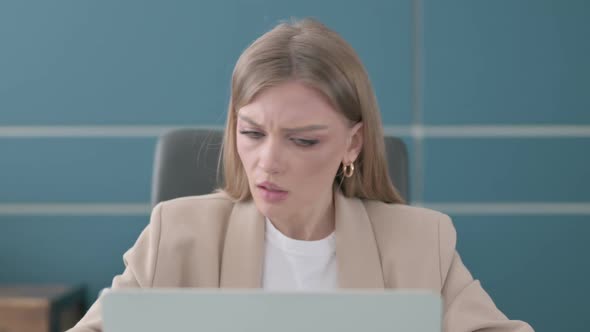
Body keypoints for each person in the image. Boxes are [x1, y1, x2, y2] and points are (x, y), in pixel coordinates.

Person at [68, 18, 533, 332]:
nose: (268, 162)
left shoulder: (418, 241)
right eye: (251, 132)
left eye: (303, 140)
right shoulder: (176, 234)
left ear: (353, 143)